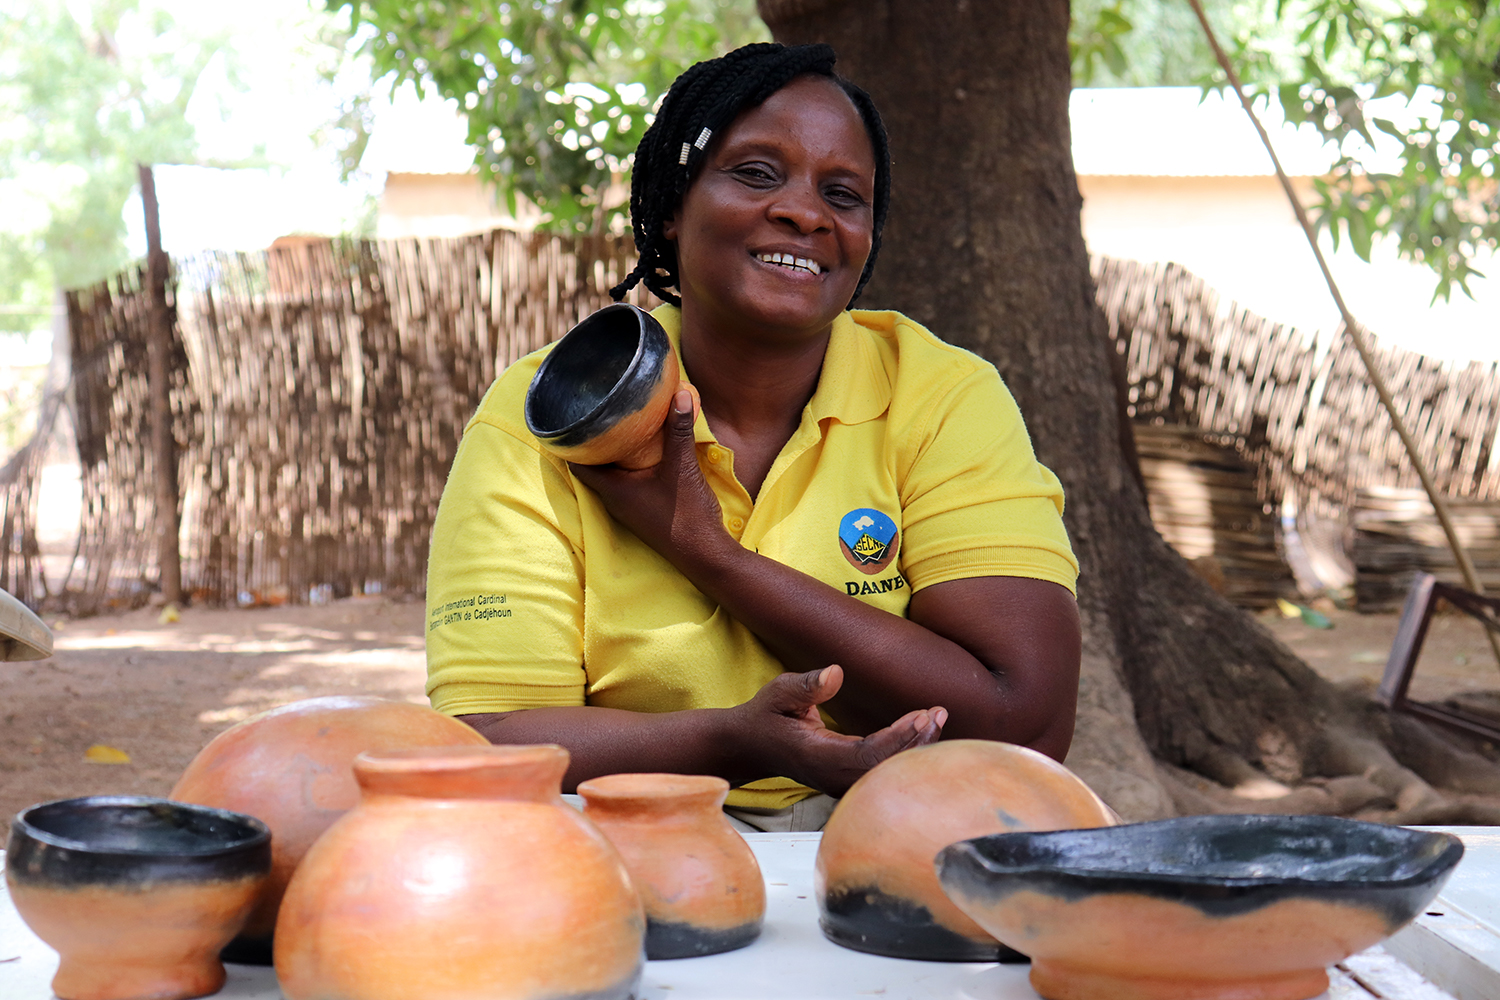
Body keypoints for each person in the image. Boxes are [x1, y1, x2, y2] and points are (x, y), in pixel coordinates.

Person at [424, 42, 1081, 832]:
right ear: (673, 201)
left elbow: (1027, 726)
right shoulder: (549, 413)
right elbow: (487, 738)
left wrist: (712, 554)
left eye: (844, 194)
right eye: (757, 173)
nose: (805, 213)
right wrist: (732, 740)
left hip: (899, 830)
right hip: (638, 842)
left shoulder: (939, 397)